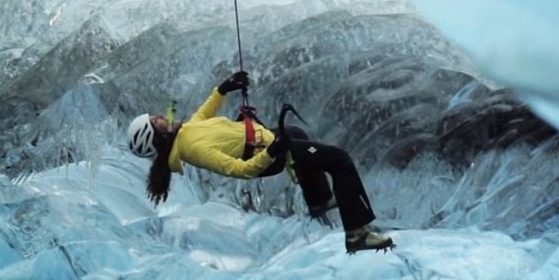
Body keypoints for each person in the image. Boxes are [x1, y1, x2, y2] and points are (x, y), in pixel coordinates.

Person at [127, 70, 395, 254]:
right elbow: (239, 170)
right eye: (156, 120)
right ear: (157, 136)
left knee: (296, 133)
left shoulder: (186, 132)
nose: (161, 115)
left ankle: (319, 201)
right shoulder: (193, 148)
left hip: (270, 141)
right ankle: (357, 234)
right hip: (269, 155)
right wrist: (273, 152)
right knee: (339, 159)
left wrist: (223, 89)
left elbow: (203, 113)